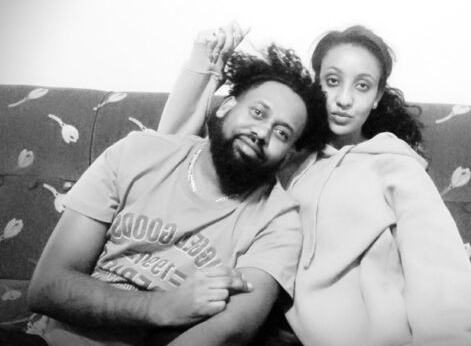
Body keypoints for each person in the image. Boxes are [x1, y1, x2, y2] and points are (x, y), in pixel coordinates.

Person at [159, 23, 471, 346]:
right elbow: (171, 161)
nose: (344, 99)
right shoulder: (282, 152)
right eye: (332, 81)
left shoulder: (396, 167)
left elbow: (440, 273)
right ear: (316, 83)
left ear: (376, 97)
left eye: (362, 86)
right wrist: (205, 66)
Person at [22, 43, 327, 346]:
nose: (262, 133)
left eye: (281, 133)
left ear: (287, 156)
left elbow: (232, 329)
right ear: (226, 106)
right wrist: (160, 307)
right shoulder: (138, 152)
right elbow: (47, 286)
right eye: (258, 112)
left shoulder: (280, 220)